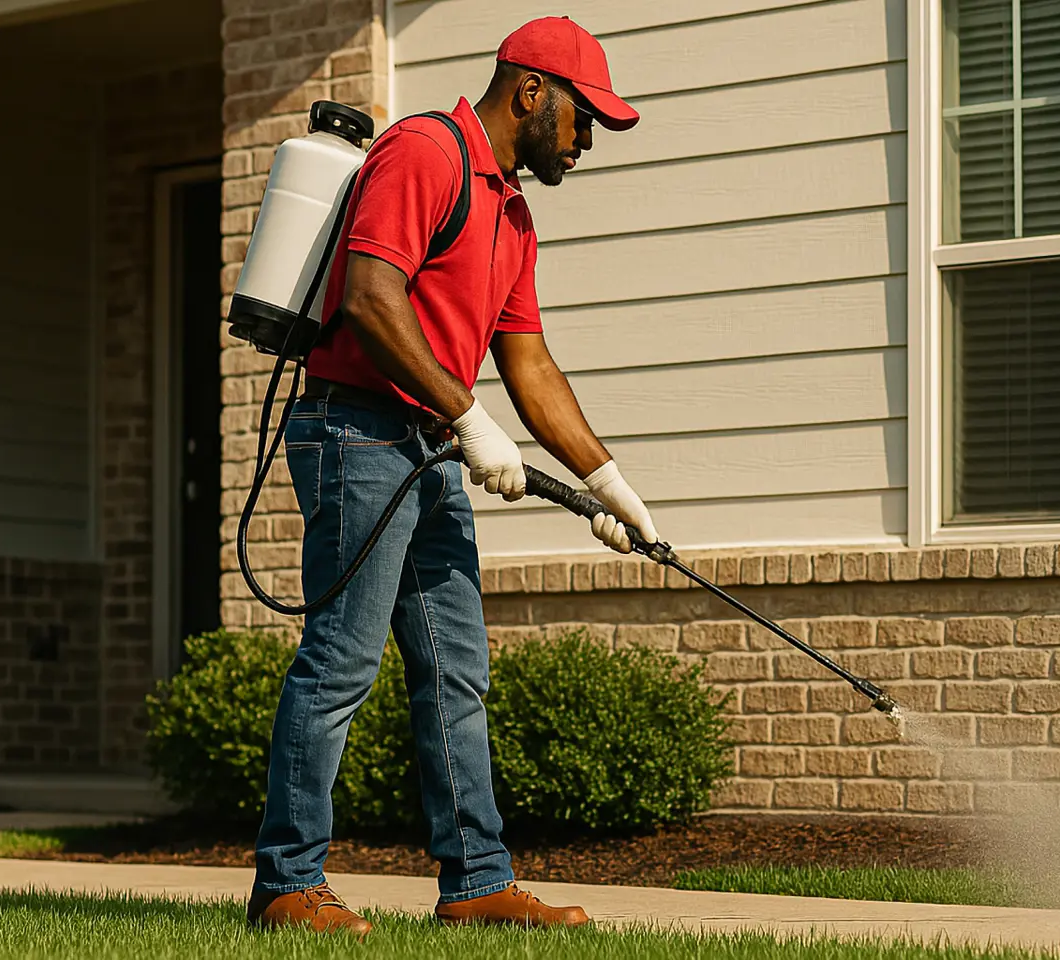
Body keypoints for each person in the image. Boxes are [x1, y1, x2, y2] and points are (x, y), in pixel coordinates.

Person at [244, 17, 659, 938]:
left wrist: (611, 486)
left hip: (427, 448)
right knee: (342, 662)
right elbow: (370, 298)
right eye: (584, 120)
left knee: (456, 672)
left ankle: (475, 882)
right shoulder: (424, 153)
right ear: (530, 94)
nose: (586, 141)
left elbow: (531, 364)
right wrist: (471, 419)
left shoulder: (512, 213)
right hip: (355, 435)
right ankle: (286, 885)